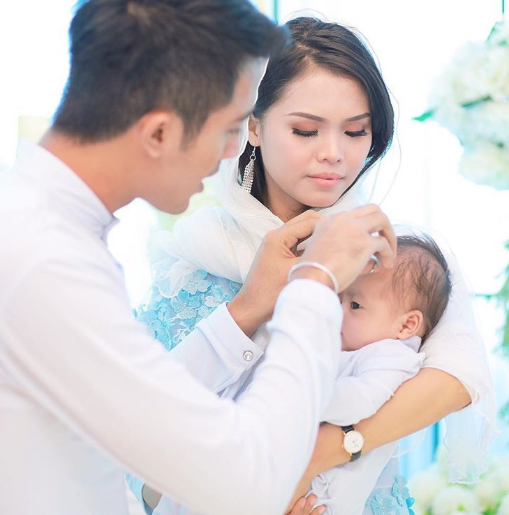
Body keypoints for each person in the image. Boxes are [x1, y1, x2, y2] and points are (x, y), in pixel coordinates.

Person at [0, 2, 399, 515]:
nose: (232, 150)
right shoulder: (46, 260)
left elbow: (139, 422)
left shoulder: (44, 233)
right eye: (231, 127)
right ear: (160, 132)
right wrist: (315, 282)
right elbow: (243, 480)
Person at [127, 16, 495, 515]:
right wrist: (251, 304)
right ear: (253, 125)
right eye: (305, 130)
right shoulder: (192, 257)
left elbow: (459, 379)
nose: (334, 155)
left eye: (355, 131)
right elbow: (145, 441)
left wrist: (334, 446)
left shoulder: (398, 250)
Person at [309, 234, 452, 515]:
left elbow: (358, 401)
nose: (338, 312)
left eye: (354, 306)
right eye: (339, 299)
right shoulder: (354, 345)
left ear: (407, 324)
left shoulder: (393, 357)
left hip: (326, 497)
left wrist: (303, 394)